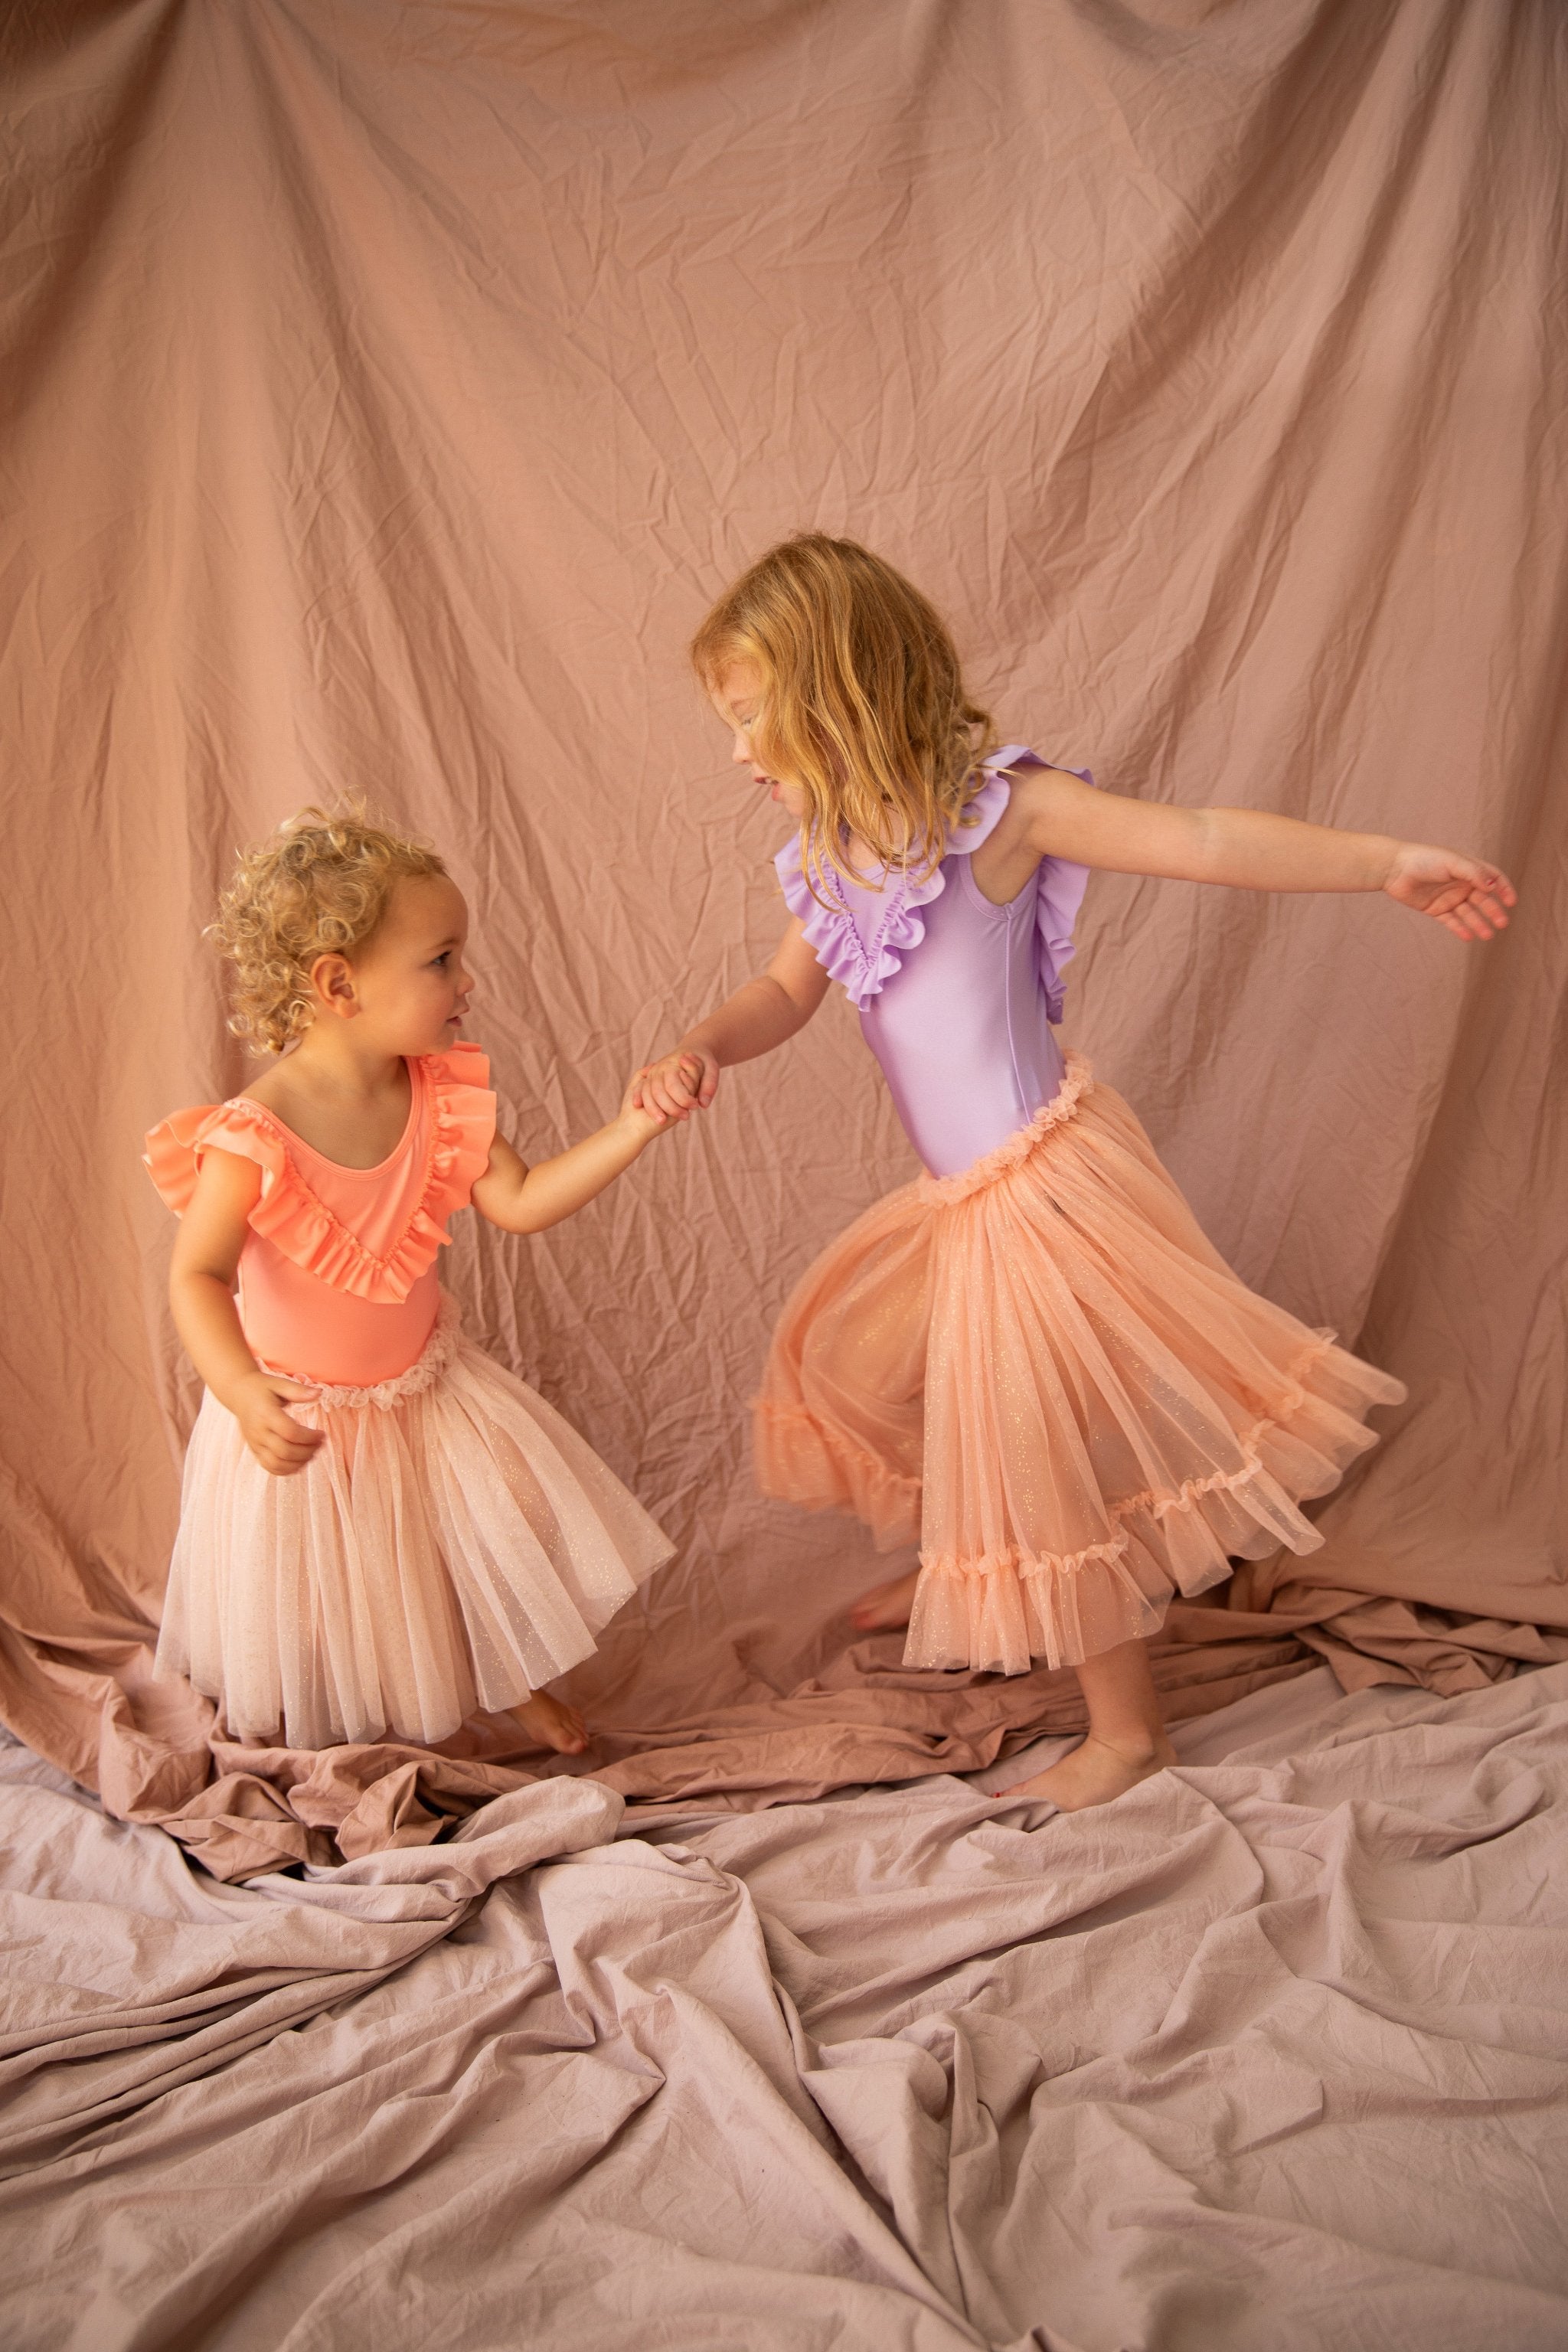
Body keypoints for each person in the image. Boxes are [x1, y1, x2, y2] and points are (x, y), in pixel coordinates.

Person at [633, 533, 1516, 1812]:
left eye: (749, 717)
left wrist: (1383, 862)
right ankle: (971, 1562)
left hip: (1042, 1183)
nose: (735, 753)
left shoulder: (1002, 810)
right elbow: (781, 992)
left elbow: (1204, 838)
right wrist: (699, 1045)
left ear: (840, 694)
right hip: (961, 1198)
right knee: (872, 1367)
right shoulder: (828, 856)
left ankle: (1123, 1732)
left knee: (1037, 1444)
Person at [145, 809, 683, 1756]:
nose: (465, 981)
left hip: (423, 1395)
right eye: (440, 961)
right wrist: (238, 1390)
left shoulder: (438, 1094)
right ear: (339, 984)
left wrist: (631, 1129)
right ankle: (312, 1709)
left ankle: (509, 1680)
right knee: (317, 1586)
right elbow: (196, 1273)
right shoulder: (252, 1133)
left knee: (458, 1550)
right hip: (299, 1409)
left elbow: (516, 1199)